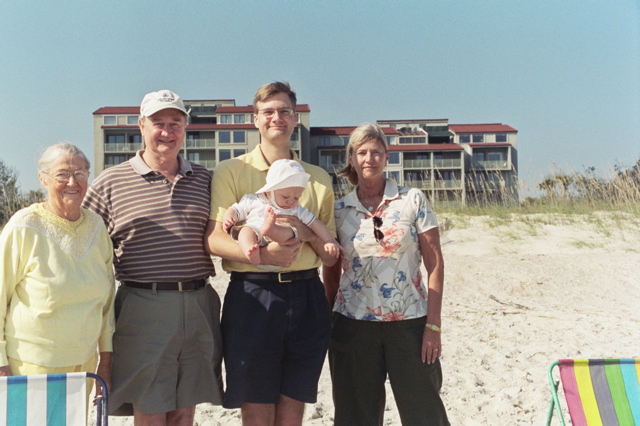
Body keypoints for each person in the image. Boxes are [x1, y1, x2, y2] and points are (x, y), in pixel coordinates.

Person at [82, 89, 223, 425]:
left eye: (175, 123)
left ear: (185, 129)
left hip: (199, 301)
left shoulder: (205, 178)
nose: (167, 131)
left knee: (186, 404)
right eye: (158, 122)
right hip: (143, 303)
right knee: (150, 403)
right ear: (142, 126)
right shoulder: (110, 182)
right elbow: (84, 244)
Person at [205, 81, 336, 425]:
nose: (276, 118)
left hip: (308, 294)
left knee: (293, 409)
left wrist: (300, 233)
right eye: (268, 112)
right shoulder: (231, 171)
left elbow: (330, 254)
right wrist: (260, 256)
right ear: (255, 119)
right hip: (252, 296)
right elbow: (215, 240)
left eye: (283, 111)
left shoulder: (318, 179)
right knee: (256, 405)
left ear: (295, 119)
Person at [323, 123, 450, 425]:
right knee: (355, 415)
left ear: (387, 157)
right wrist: (327, 320)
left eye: (377, 152)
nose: (370, 158)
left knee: (424, 412)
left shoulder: (412, 200)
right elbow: (329, 273)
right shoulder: (338, 209)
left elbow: (435, 264)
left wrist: (433, 325)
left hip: (409, 325)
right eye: (362, 152)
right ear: (351, 158)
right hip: (352, 326)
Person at [0, 142, 114, 402]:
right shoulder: (23, 226)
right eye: (62, 174)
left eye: (80, 173)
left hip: (84, 366)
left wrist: (105, 362)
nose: (72, 181)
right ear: (43, 178)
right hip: (30, 366)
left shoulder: (97, 227)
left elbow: (107, 305)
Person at [222, 158, 343, 267]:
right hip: (256, 233)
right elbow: (236, 209)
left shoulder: (296, 209)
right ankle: (251, 251)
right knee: (245, 231)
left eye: (296, 198)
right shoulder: (253, 200)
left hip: (280, 240)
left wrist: (329, 240)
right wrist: (229, 218)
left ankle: (271, 228)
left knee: (290, 231)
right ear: (269, 192)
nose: (291, 201)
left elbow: (315, 223)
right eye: (285, 197)